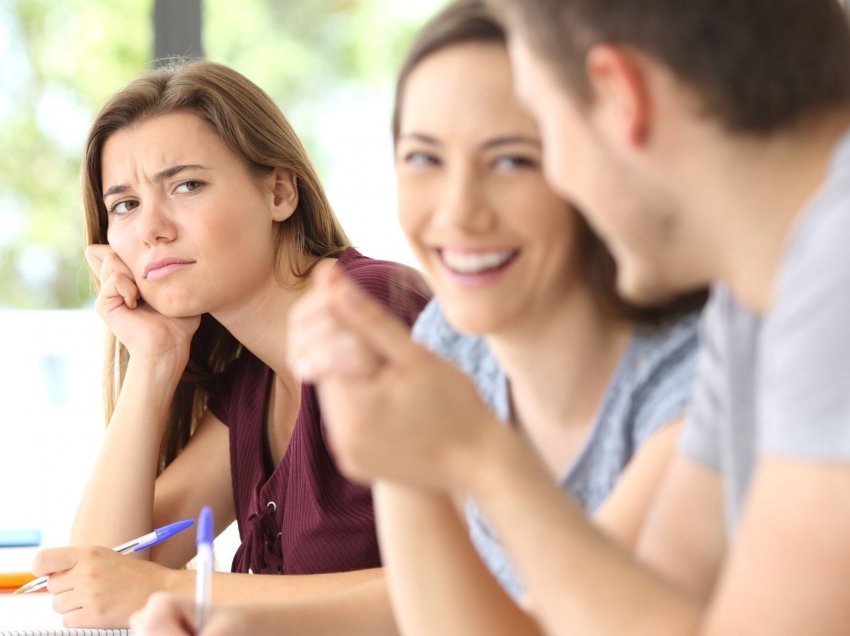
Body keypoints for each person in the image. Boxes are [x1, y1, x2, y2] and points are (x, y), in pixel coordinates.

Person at [177, 0, 850, 634]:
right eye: (423, 157)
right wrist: (409, 456)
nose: (462, 209)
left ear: (618, 97)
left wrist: (473, 453)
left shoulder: (823, 272)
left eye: (528, 146)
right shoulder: (757, 299)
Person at [30, 59, 430, 629]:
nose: (151, 229)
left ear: (280, 192)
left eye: (186, 185)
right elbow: (101, 577)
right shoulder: (252, 374)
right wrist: (153, 358)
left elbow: (471, 584)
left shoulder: (370, 313)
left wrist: (173, 590)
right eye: (125, 205)